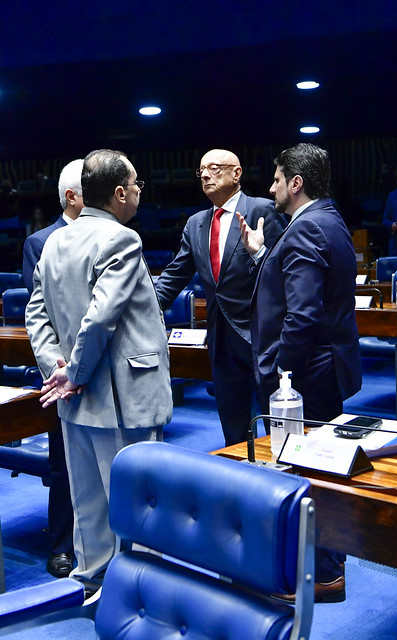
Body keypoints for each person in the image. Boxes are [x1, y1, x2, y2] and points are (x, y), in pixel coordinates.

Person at [25, 149, 172, 594]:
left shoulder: (55, 240)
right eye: (137, 183)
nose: (140, 191)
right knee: (138, 504)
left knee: (87, 503)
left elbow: (36, 315)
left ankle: (91, 584)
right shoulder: (121, 238)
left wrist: (57, 369)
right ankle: (139, 594)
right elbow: (101, 317)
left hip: (74, 397)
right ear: (120, 193)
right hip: (122, 395)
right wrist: (74, 373)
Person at [237, 143, 362, 603]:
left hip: (306, 375)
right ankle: (326, 566)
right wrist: (262, 255)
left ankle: (324, 574)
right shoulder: (327, 218)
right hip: (325, 367)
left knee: (310, 473)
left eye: (276, 180)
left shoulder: (306, 227)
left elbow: (303, 315)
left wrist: (278, 373)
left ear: (296, 183)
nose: (270, 189)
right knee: (319, 469)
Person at [155, 148, 286, 446]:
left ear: (236, 173)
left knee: (275, 419)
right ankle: (239, 469)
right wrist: (143, 309)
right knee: (233, 422)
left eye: (214, 168)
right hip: (220, 336)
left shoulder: (263, 210)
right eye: (201, 170)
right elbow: (175, 275)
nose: (205, 175)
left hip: (262, 333)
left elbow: (281, 270)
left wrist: (258, 254)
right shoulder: (196, 223)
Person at [22, 159, 84, 579]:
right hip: (62, 369)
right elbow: (39, 312)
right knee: (63, 461)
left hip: (103, 366)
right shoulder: (40, 241)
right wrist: (60, 368)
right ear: (72, 196)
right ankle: (63, 544)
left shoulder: (112, 235)